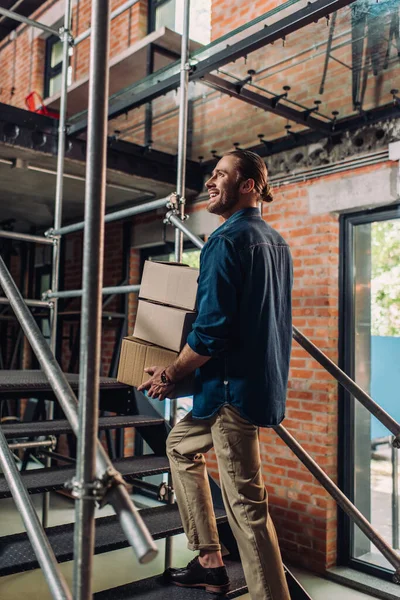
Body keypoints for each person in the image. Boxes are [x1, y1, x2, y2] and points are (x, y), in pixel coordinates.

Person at [138, 149, 293, 599]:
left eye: (221, 174)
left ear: (247, 185)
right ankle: (209, 561)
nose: (211, 181)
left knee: (246, 507)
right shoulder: (276, 242)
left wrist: (171, 371)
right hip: (249, 385)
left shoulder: (225, 242)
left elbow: (212, 331)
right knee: (179, 445)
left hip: (230, 393)